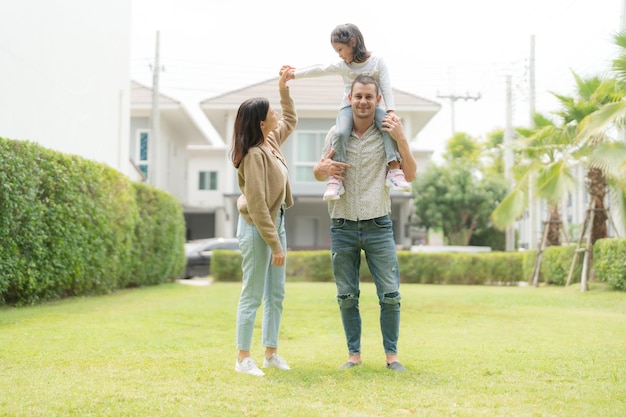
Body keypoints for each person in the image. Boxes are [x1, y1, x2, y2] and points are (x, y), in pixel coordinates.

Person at [313, 74, 417, 372]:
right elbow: (320, 173)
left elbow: (409, 175)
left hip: (378, 225)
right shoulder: (336, 133)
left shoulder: (387, 133)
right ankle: (354, 355)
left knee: (390, 295)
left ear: (377, 100)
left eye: (368, 97)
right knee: (346, 296)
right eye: (358, 96)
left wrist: (402, 138)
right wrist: (322, 169)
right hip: (342, 225)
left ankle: (392, 357)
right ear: (350, 98)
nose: (363, 101)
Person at [281, 23, 411, 201]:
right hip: (348, 108)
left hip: (374, 107)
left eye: (341, 49)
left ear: (353, 42)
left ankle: (394, 170)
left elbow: (386, 86)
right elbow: (321, 69)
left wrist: (390, 110)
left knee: (388, 126)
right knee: (341, 132)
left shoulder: (377, 62)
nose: (340, 55)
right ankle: (336, 180)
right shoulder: (343, 65)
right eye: (337, 52)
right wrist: (294, 74)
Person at [230, 68, 297, 376]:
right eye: (272, 112)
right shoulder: (254, 156)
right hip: (258, 228)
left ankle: (271, 353)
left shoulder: (270, 142)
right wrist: (276, 245)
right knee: (253, 293)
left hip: (275, 222)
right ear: (261, 122)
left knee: (276, 294)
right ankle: (243, 358)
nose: (277, 114)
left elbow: (291, 120)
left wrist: (283, 89)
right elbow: (257, 206)